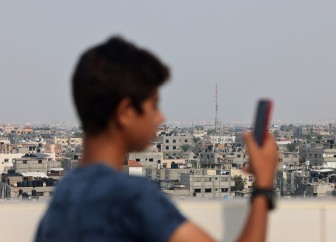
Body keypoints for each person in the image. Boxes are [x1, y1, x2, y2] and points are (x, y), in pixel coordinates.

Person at [35, 36, 278, 242]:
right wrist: (263, 186)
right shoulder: (130, 196)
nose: (160, 117)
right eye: (153, 105)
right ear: (126, 112)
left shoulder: (65, 194)